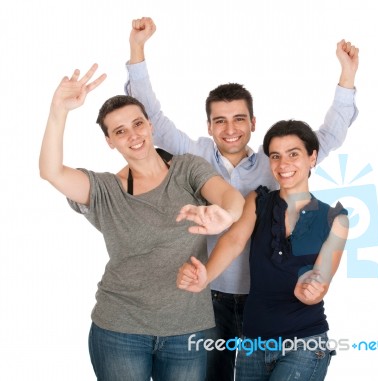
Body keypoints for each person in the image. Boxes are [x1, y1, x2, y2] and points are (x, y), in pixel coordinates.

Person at [124, 17, 359, 381]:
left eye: (238, 119)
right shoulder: (195, 156)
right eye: (220, 121)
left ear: (253, 122)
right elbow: (153, 118)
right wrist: (137, 51)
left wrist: (346, 78)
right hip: (210, 297)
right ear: (208, 126)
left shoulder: (276, 162)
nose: (230, 129)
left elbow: (327, 136)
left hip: (263, 302)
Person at [39, 64, 245, 381]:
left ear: (150, 125)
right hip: (119, 330)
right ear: (110, 141)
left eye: (138, 124)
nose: (133, 135)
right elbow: (51, 172)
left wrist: (226, 215)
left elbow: (231, 197)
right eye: (120, 131)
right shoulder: (104, 190)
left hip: (187, 331)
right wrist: (58, 110)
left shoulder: (187, 169)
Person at [177, 119, 349, 380]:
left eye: (294, 154)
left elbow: (323, 276)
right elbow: (234, 240)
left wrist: (311, 290)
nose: (283, 164)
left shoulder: (335, 219)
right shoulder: (258, 200)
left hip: (304, 342)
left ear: (312, 158)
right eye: (276, 156)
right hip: (252, 344)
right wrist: (205, 276)